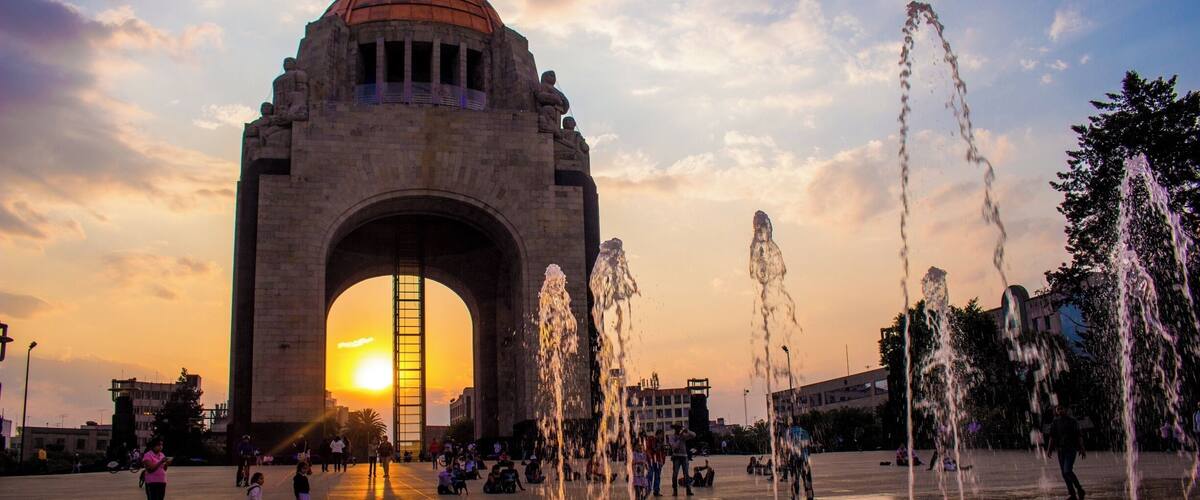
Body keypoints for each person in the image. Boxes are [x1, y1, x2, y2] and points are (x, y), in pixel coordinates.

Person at [1047, 405, 1086, 500]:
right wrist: (1049, 449)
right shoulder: (1055, 422)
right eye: (1058, 409)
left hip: (1071, 449)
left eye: (1062, 408)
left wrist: (1082, 448)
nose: (1060, 410)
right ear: (1056, 411)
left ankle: (1080, 489)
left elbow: (1078, 435)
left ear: (1066, 409)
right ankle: (1072, 494)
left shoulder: (1072, 421)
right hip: (1061, 450)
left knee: (1067, 470)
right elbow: (1052, 437)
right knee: (1064, 473)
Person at [668, 424, 696, 496]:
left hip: (684, 456)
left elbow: (694, 435)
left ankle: (688, 490)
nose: (678, 430)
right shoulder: (672, 437)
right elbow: (674, 446)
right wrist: (679, 438)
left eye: (679, 428)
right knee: (675, 474)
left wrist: (687, 431)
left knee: (686, 474)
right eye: (677, 428)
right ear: (675, 429)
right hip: (676, 457)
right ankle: (675, 490)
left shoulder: (683, 435)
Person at [647, 430, 665, 496]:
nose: (661, 436)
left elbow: (663, 453)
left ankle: (656, 491)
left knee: (657, 477)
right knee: (650, 475)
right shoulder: (651, 439)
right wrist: (649, 458)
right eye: (660, 434)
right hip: (651, 460)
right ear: (657, 434)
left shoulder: (661, 443)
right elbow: (650, 449)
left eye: (662, 435)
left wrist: (663, 461)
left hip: (658, 461)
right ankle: (648, 490)